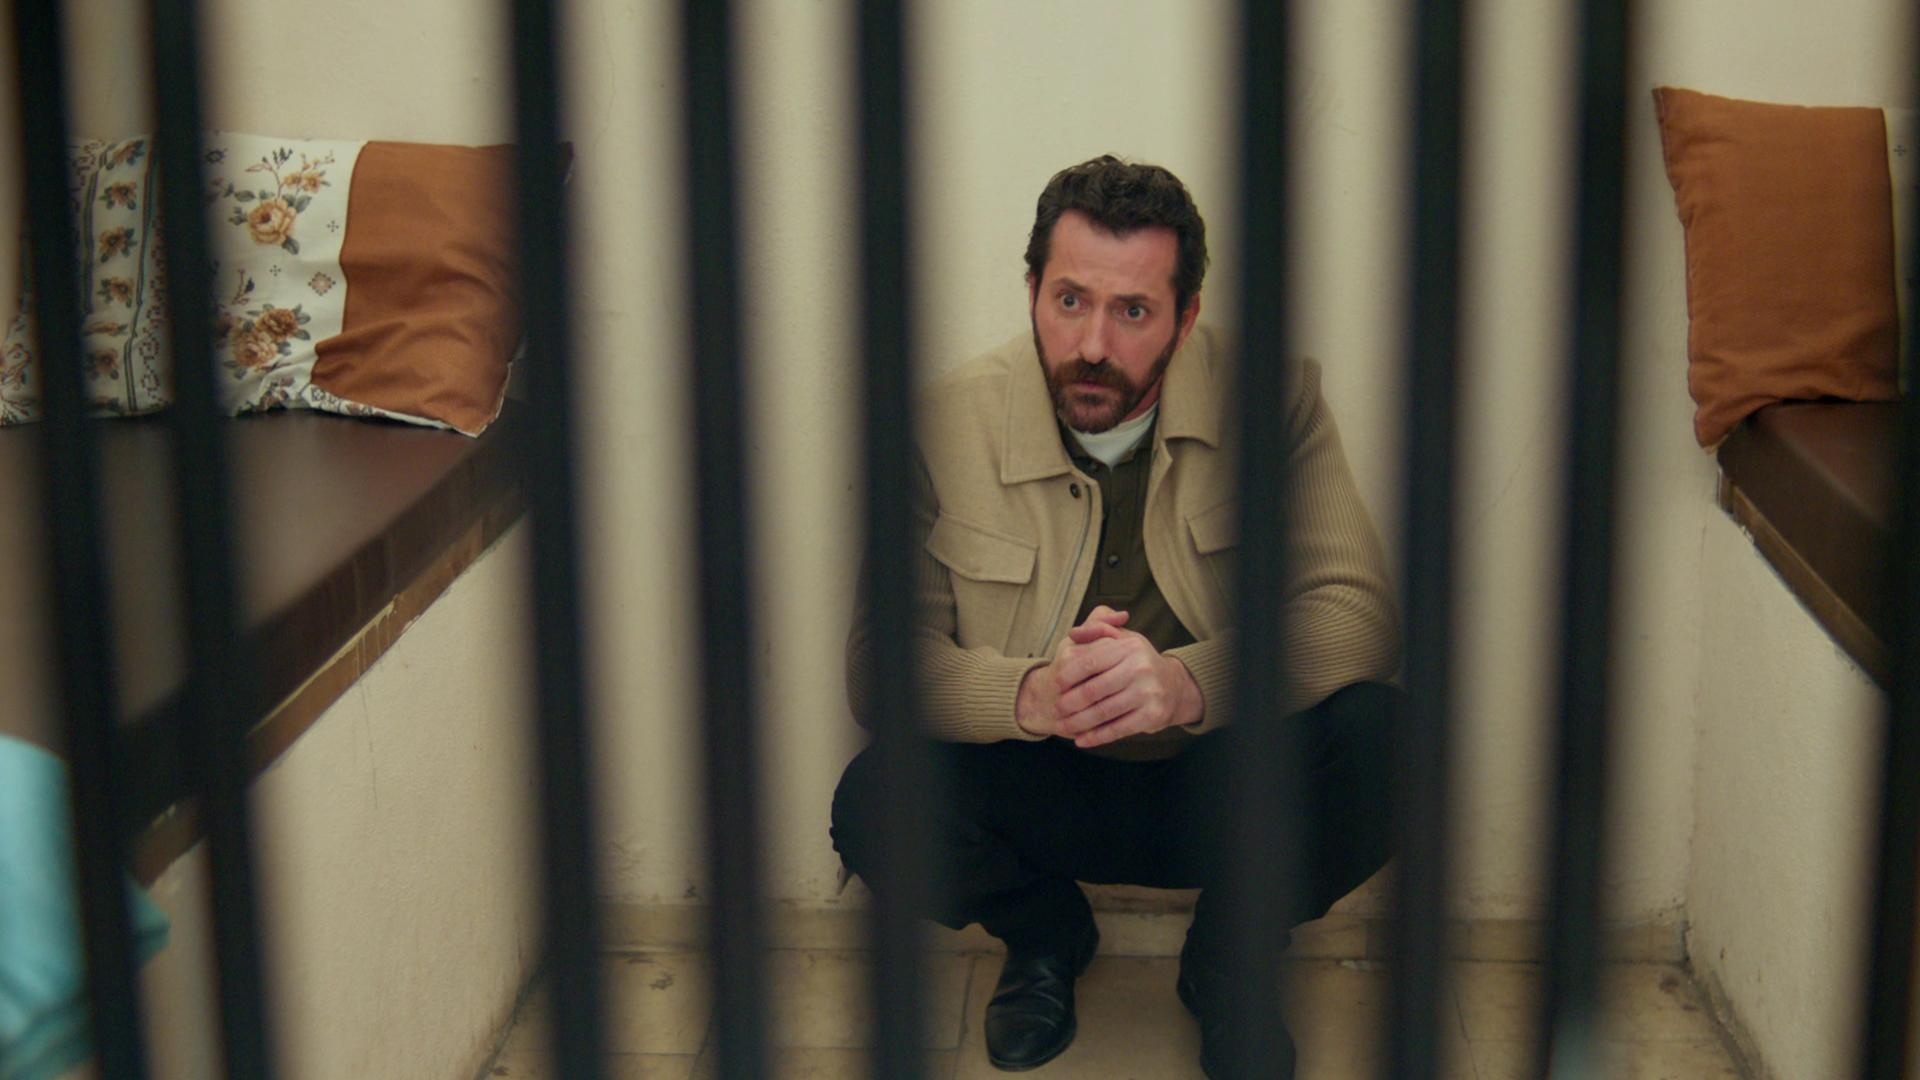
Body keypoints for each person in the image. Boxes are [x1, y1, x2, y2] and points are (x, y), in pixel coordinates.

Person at [831, 155, 1403, 1079]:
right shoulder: (940, 422)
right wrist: (1031, 695)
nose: (1092, 343)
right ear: (1031, 290)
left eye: (1133, 311)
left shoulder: (1274, 399)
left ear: (1186, 314)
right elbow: (880, 666)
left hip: (1222, 777)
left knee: (1390, 739)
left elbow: (1359, 611)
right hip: (1043, 777)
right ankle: (1046, 937)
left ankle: (1228, 959)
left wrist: (1185, 684)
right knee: (873, 800)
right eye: (1069, 300)